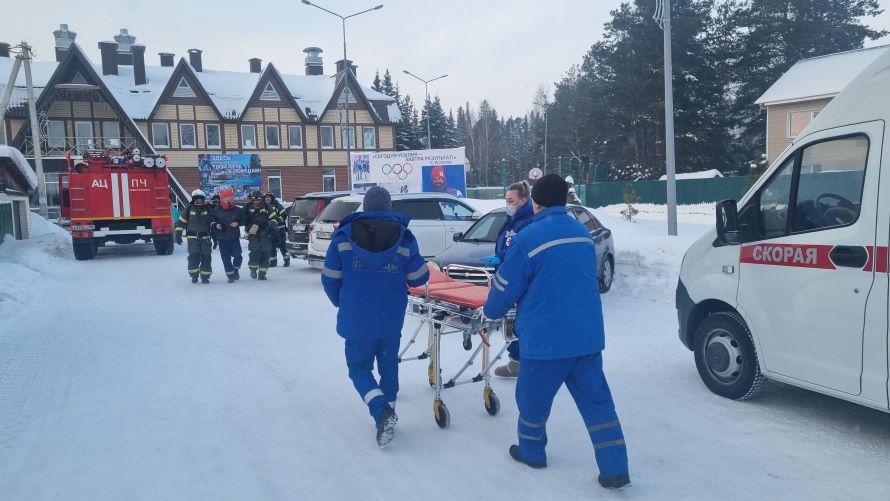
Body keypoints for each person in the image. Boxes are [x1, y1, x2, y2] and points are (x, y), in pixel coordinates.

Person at [483, 174, 630, 490]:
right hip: (586, 337)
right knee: (598, 404)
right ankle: (615, 468)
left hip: (546, 341)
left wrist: (490, 311)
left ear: (536, 202)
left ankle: (532, 451)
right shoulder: (581, 233)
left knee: (532, 400)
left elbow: (505, 287)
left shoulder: (529, 237)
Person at [321, 186, 429, 447]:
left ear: (365, 207)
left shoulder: (343, 236)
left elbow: (330, 278)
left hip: (357, 313)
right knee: (388, 364)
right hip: (390, 314)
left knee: (359, 368)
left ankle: (381, 411)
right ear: (389, 207)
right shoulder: (404, 237)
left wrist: (343, 302)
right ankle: (389, 411)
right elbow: (418, 277)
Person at [480, 180, 535, 378]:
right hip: (507, 272)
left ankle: (521, 362)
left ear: (524, 200)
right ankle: (516, 361)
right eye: (506, 199)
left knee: (518, 321)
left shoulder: (528, 222)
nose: (508, 203)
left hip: (517, 277)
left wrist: (502, 257)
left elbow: (520, 251)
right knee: (511, 321)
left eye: (511, 200)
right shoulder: (511, 219)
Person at [175, 189, 214, 284]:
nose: (199, 201)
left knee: (206, 257)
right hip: (192, 239)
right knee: (193, 257)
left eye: (201, 199)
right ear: (193, 199)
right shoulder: (188, 209)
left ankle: (205, 276)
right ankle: (194, 275)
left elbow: (213, 221)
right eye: (197, 199)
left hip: (205, 239)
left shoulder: (207, 209)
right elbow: (180, 222)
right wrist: (178, 235)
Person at [243, 190, 280, 280]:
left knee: (266, 252)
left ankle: (262, 273)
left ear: (261, 199)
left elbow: (274, 218)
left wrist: (271, 224)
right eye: (253, 199)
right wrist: (248, 228)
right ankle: (253, 269)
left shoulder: (267, 207)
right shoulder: (247, 207)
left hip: (265, 233)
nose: (256, 201)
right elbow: (242, 219)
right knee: (255, 251)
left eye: (258, 199)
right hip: (253, 233)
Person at [211, 188, 245, 283]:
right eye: (227, 199)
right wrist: (215, 225)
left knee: (238, 256)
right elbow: (210, 221)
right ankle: (230, 275)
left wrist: (237, 222)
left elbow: (244, 220)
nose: (229, 200)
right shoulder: (216, 211)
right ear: (222, 199)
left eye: (231, 198)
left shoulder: (238, 210)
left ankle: (236, 268)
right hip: (222, 238)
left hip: (234, 237)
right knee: (225, 258)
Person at [264, 191, 290, 267]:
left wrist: (277, 221)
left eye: (269, 197)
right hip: (270, 230)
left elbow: (284, 214)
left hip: (280, 229)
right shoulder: (263, 206)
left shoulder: (277, 205)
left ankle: (286, 260)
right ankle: (273, 262)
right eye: (266, 197)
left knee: (282, 245)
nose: (267, 199)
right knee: (271, 246)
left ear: (272, 198)